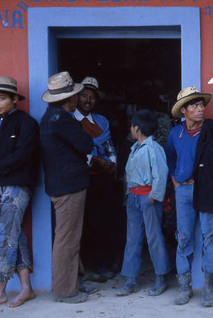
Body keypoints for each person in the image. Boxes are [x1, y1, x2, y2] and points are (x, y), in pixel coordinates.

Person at [166, 86, 213, 307]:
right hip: (184, 190)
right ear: (184, 110)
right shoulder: (175, 134)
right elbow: (171, 160)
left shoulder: (212, 130)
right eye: (194, 105)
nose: (200, 109)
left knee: (209, 237)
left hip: (207, 189)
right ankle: (185, 287)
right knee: (183, 237)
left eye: (201, 104)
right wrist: (176, 183)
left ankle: (207, 288)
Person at [0, 76, 38, 308]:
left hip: (16, 184)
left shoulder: (26, 122)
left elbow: (23, 154)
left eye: (1, 98)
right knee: (14, 234)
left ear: (15, 99)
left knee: (5, 236)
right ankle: (27, 289)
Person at [39, 71, 94, 303]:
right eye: (76, 96)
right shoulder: (62, 119)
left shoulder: (48, 117)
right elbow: (86, 144)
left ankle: (74, 280)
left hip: (60, 185)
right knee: (67, 239)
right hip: (69, 187)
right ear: (69, 99)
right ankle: (65, 290)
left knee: (68, 236)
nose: (78, 100)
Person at [117, 109, 172, 297]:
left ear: (137, 128)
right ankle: (130, 279)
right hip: (133, 197)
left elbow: (161, 175)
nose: (130, 130)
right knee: (133, 238)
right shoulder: (135, 148)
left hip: (148, 198)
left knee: (153, 237)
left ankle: (161, 276)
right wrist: (128, 195)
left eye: (131, 127)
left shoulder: (154, 148)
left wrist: (153, 197)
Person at [73, 76, 118, 282]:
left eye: (92, 97)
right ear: (77, 97)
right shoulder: (70, 121)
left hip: (104, 179)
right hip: (84, 180)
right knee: (90, 223)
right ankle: (92, 266)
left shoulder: (101, 121)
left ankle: (106, 263)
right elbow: (78, 150)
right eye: (84, 96)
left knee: (107, 221)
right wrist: (96, 160)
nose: (88, 101)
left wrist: (112, 162)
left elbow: (108, 145)